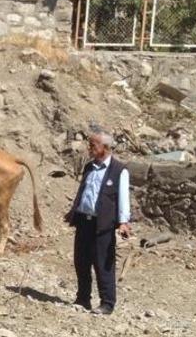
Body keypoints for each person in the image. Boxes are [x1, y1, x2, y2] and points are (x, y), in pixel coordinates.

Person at [63, 130, 131, 315]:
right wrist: (74, 210)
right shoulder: (89, 167)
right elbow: (84, 192)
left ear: (105, 147)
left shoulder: (119, 170)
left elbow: (123, 198)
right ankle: (83, 298)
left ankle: (107, 303)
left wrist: (123, 221)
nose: (90, 148)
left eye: (93, 145)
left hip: (103, 225)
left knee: (103, 263)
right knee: (81, 261)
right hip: (84, 221)